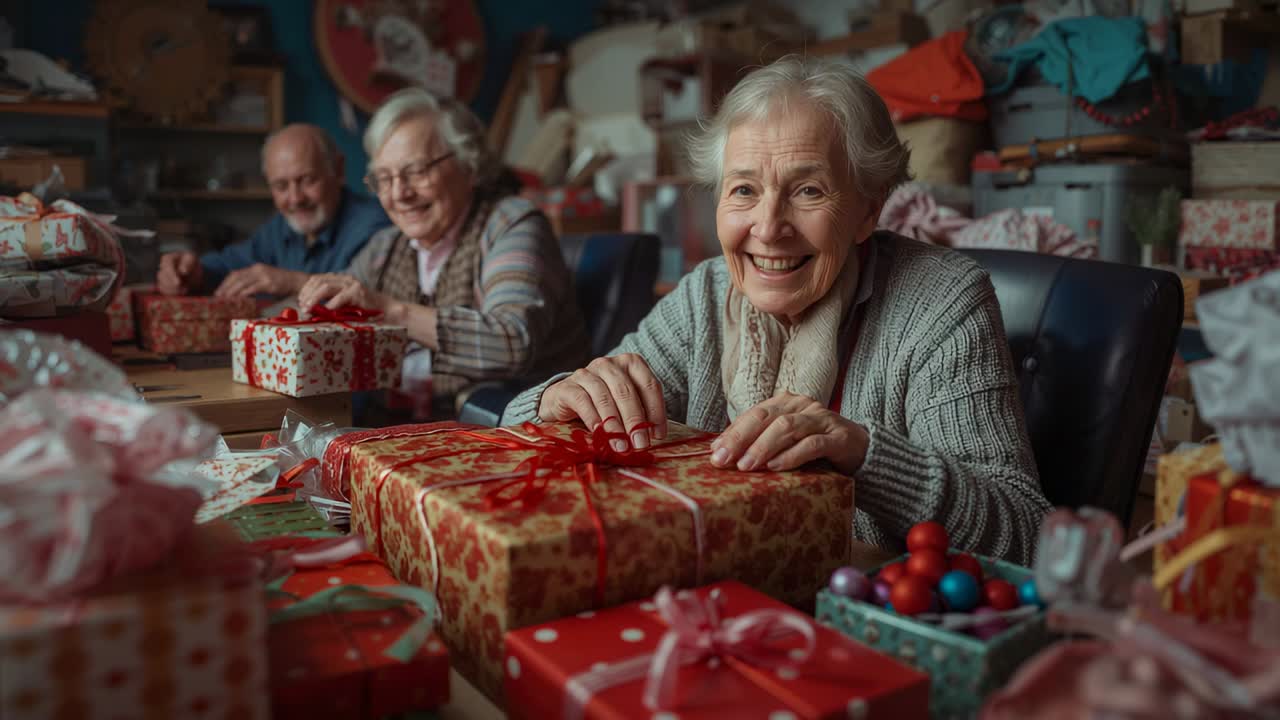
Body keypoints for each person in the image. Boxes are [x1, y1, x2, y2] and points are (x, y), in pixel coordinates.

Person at [501, 57, 1052, 564]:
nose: (767, 228)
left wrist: (864, 454)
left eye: (808, 190)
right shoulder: (705, 293)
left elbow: (1028, 535)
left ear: (868, 209)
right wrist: (553, 399)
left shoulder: (942, 302)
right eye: (744, 190)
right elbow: (520, 437)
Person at [296, 88, 589, 411]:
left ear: (469, 167)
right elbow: (332, 302)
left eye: (416, 172)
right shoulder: (388, 245)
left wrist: (389, 310)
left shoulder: (511, 224)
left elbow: (512, 342)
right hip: (402, 424)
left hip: (509, 427)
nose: (399, 193)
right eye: (384, 178)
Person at [155, 123, 390, 299]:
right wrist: (193, 272)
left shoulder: (376, 227)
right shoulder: (281, 228)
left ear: (338, 170)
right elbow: (230, 264)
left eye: (308, 180)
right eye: (281, 186)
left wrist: (293, 282)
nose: (295, 199)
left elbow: (375, 298)